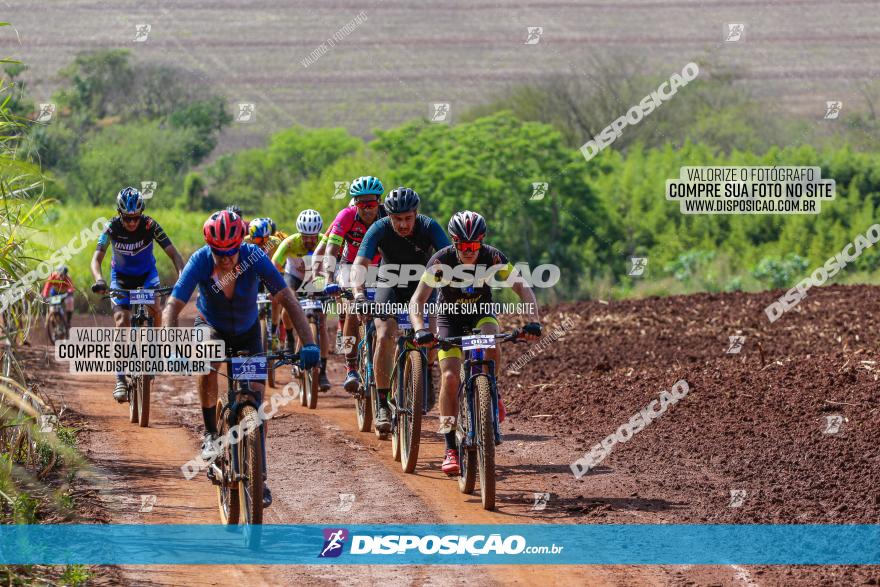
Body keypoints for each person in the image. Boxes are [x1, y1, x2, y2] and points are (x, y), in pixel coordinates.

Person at [162, 209, 319, 508]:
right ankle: (210, 432)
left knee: (256, 402)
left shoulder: (254, 257)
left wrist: (309, 343)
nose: (225, 258)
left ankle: (258, 475)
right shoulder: (199, 261)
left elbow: (287, 298)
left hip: (247, 332)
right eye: (218, 252)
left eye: (230, 252)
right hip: (211, 326)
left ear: (240, 244)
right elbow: (173, 305)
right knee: (207, 359)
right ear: (210, 246)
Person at [410, 211, 542, 475]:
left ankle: (492, 391)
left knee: (493, 338)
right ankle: (449, 447)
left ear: (481, 242)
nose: (470, 251)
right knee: (449, 377)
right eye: (464, 246)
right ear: (454, 243)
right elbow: (418, 301)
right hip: (449, 318)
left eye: (474, 245)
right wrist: (421, 329)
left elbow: (523, 288)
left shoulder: (492, 257)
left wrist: (534, 321)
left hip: (481, 314)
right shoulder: (441, 260)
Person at [351, 187, 451, 433]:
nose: (403, 224)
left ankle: (425, 372)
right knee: (384, 335)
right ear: (389, 215)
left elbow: (451, 260)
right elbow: (359, 265)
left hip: (424, 284)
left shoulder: (429, 227)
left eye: (408, 218)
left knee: (431, 335)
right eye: (397, 219)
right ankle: (383, 402)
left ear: (416, 213)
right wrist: (360, 295)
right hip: (390, 283)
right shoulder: (380, 227)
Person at [91, 186, 186, 402]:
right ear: (119, 214)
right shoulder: (111, 228)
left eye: (136, 218)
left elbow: (174, 254)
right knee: (121, 320)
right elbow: (96, 259)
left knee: (155, 308)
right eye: (127, 218)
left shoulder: (150, 225)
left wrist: (182, 277)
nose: (132, 223)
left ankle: (155, 350)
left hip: (147, 276)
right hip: (121, 278)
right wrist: (99, 279)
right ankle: (120, 379)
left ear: (141, 214)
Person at [317, 176, 386, 394]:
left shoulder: (387, 215)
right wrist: (329, 280)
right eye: (361, 204)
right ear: (354, 203)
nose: (367, 209)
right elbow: (331, 250)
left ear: (379, 201)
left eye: (372, 203)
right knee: (352, 310)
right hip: (349, 266)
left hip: (382, 267)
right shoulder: (346, 216)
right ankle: (352, 367)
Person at [272, 209, 331, 390]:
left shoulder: (325, 241)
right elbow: (274, 264)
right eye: (306, 237)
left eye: (313, 237)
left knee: (321, 322)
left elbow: (335, 263)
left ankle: (322, 372)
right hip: (294, 278)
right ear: (300, 234)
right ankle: (289, 337)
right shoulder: (290, 243)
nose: (310, 241)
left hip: (317, 279)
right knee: (289, 302)